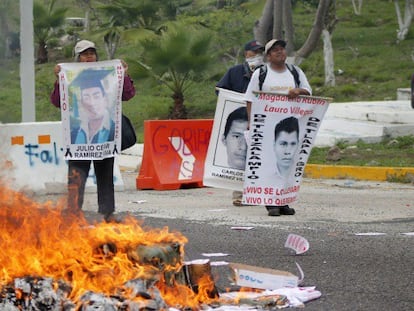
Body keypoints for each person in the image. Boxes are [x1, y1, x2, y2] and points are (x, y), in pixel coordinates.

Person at [50, 39, 136, 222]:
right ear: (78, 58)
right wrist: (58, 80)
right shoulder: (70, 76)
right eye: (84, 54)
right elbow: (58, 102)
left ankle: (108, 214)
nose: (88, 57)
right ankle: (72, 214)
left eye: (91, 53)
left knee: (105, 176)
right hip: (78, 139)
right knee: (76, 177)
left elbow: (127, 94)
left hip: (105, 138)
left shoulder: (109, 74)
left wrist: (124, 75)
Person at [245, 38, 312, 216]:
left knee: (288, 166)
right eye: (275, 50)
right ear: (268, 56)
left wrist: (298, 91)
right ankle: (270, 202)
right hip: (266, 128)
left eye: (282, 49)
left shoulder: (295, 72)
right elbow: (250, 99)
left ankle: (283, 201)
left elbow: (308, 91)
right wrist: (252, 124)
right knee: (268, 165)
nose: (280, 52)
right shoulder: (260, 74)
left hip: (290, 127)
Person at [216, 40, 264, 206]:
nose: (257, 56)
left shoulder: (266, 73)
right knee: (240, 160)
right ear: (246, 54)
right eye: (254, 52)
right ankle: (238, 194)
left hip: (260, 121)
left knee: (257, 158)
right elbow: (220, 90)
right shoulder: (234, 72)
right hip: (240, 120)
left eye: (260, 52)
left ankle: (257, 194)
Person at [70, 68, 115, 144]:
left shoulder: (116, 129)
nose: (92, 103)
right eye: (86, 98)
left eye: (96, 96)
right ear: (82, 103)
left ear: (105, 100)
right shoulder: (75, 133)